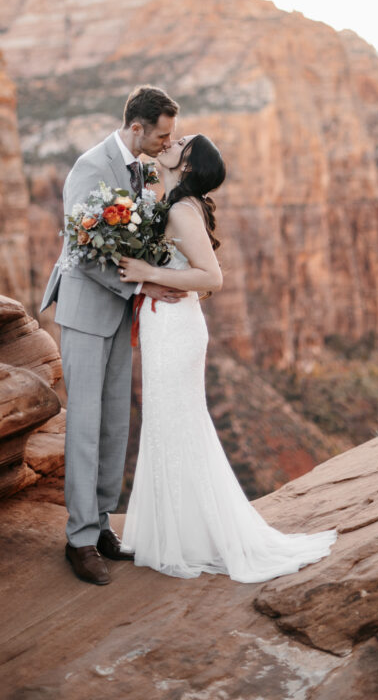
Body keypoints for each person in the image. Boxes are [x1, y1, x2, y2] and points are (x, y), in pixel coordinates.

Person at [118, 134, 337, 582]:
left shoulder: (181, 209)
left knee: (174, 423)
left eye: (181, 141)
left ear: (189, 162)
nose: (172, 140)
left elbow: (211, 276)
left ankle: (185, 539)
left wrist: (145, 272)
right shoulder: (175, 202)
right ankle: (180, 533)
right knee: (169, 424)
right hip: (168, 323)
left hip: (176, 328)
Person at [40, 85, 186, 586]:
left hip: (122, 311)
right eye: (162, 134)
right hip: (85, 311)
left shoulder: (142, 169)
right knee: (84, 425)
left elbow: (140, 236)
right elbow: (81, 251)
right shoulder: (90, 167)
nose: (168, 143)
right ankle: (78, 540)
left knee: (113, 424)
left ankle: (101, 523)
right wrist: (145, 281)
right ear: (137, 127)